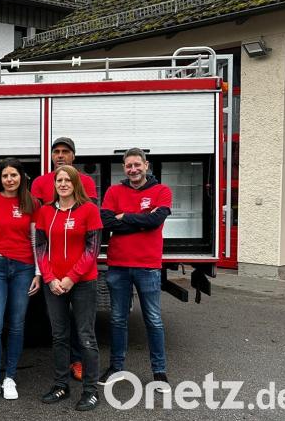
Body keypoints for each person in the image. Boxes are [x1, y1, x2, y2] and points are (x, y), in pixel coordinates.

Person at [98, 148, 172, 392]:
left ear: (146, 165)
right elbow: (107, 223)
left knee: (153, 320)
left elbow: (154, 222)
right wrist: (139, 220)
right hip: (118, 266)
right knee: (118, 319)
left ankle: (159, 373)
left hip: (148, 266)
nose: (133, 169)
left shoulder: (161, 191)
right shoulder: (113, 191)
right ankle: (116, 368)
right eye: (128, 165)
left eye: (137, 165)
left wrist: (124, 218)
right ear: (124, 168)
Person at [30, 136, 97, 382]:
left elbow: (91, 239)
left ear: (73, 156)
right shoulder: (39, 183)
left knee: (84, 330)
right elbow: (40, 236)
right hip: (53, 278)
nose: (60, 155)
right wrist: (48, 276)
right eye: (56, 151)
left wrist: (70, 277)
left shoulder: (86, 185)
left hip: (79, 278)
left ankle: (79, 365)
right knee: (58, 331)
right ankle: (61, 380)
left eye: (65, 152)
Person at [0, 158, 41, 402]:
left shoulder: (31, 202)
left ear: (21, 177)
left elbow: (36, 241)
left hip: (24, 268)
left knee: (16, 324)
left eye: (14, 175)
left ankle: (10, 377)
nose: (10, 180)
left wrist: (38, 272)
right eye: (5, 176)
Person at [36, 165, 102, 411]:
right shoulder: (45, 211)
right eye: (59, 180)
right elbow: (40, 248)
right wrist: (50, 278)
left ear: (76, 183)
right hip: (53, 284)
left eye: (67, 180)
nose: (63, 184)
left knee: (86, 337)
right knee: (59, 336)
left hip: (82, 283)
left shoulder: (89, 210)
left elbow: (92, 249)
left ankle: (90, 391)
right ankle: (61, 385)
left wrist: (71, 278)